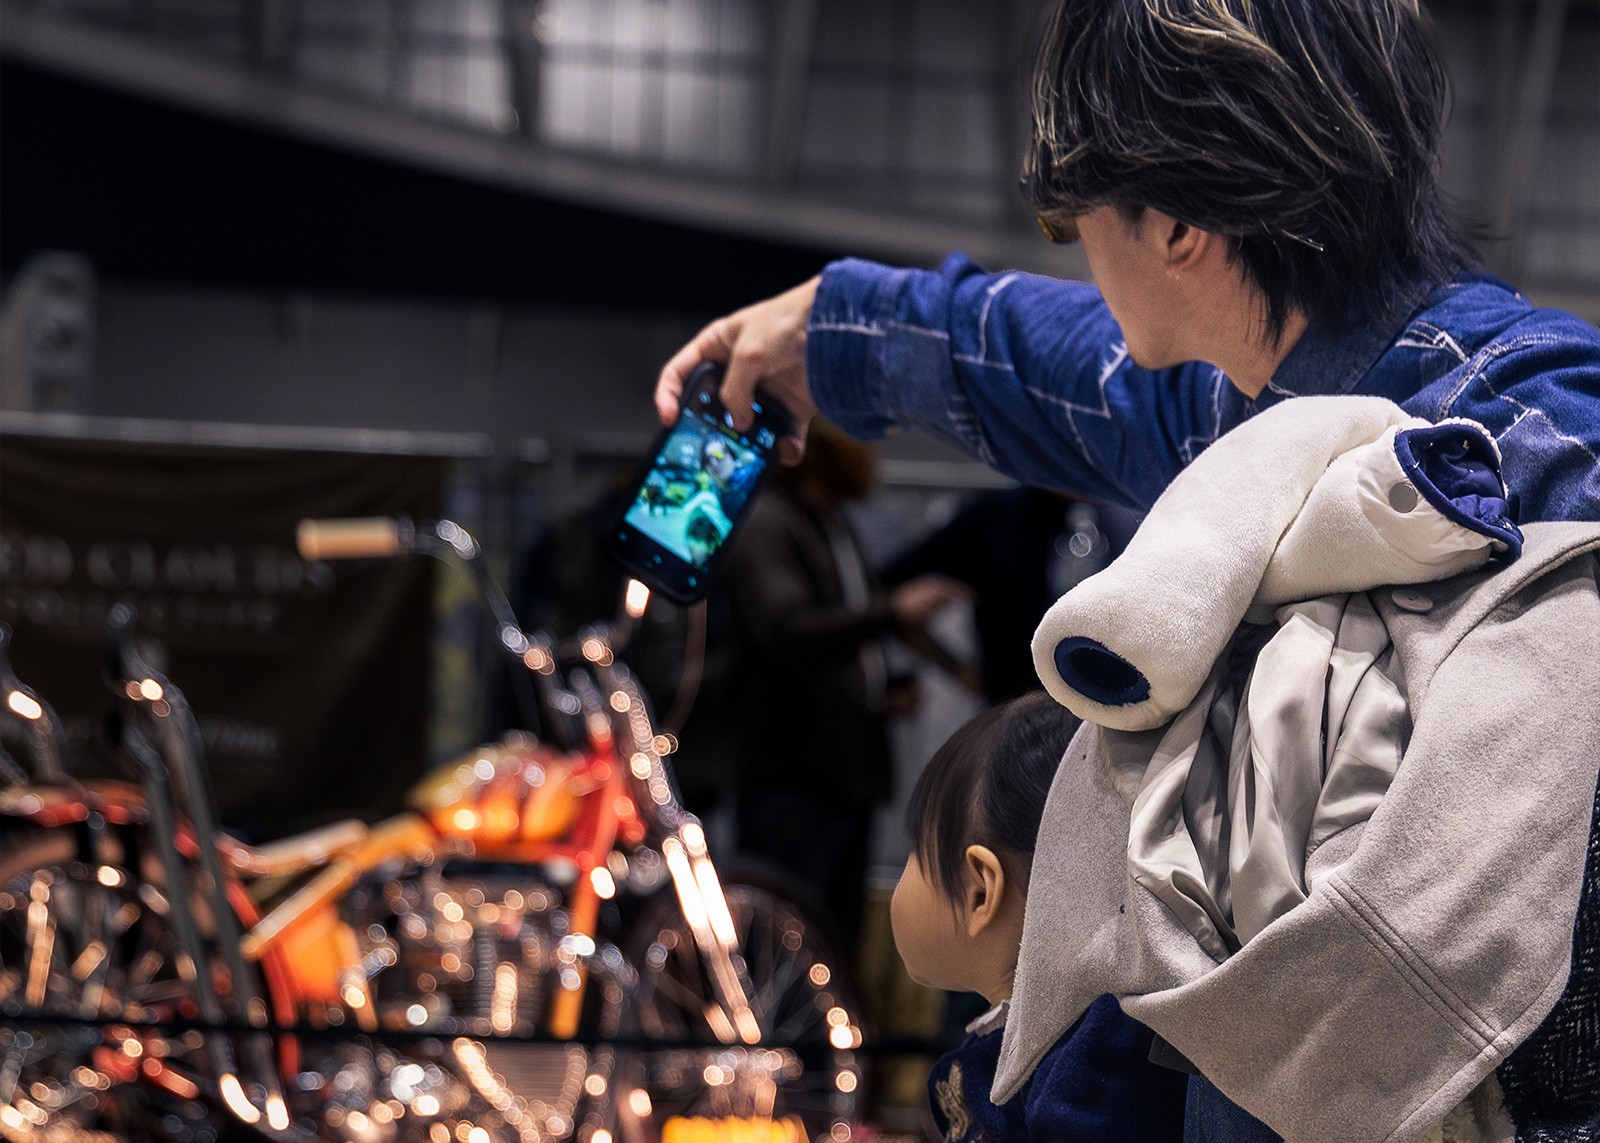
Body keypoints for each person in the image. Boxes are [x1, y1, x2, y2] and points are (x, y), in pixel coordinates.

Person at [651, 0, 1599, 1135]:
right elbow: (1033, 360)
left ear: (1179, 227)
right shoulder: (1266, 410)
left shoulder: (1539, 449)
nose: (1080, 260)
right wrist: (822, 329)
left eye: (1069, 222)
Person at [892, 690, 1188, 1142]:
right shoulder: (1086, 1035)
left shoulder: (1094, 1069)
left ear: (980, 892)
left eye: (917, 849)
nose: (907, 868)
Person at [721, 419, 969, 949]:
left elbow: (845, 629)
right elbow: (786, 629)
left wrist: (886, 685)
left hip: (843, 777)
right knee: (786, 944)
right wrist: (892, 611)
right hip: (791, 776)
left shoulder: (830, 523)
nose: (870, 452)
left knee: (833, 945)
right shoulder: (768, 521)